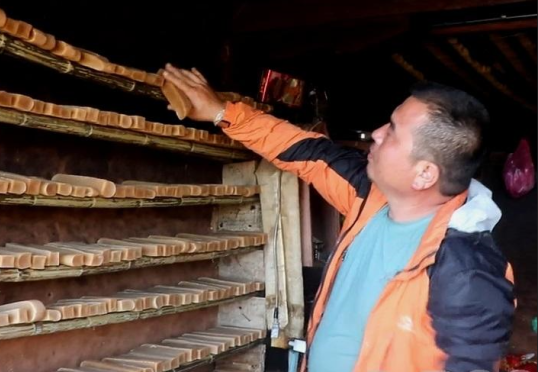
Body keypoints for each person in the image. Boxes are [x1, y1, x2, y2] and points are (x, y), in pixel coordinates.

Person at [162, 63, 515, 372]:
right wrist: (222, 112)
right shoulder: (367, 196)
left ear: (424, 174)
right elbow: (309, 151)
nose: (377, 133)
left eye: (393, 130)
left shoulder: (468, 268)